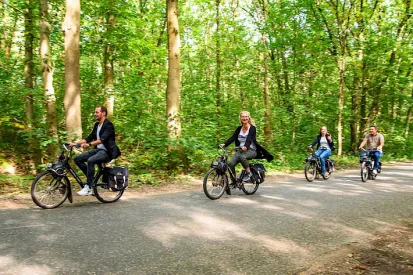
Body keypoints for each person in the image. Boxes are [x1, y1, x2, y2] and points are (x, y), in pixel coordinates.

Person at [69, 106, 121, 196]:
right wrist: (75, 143)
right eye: (95, 112)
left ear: (103, 113)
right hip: (98, 150)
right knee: (77, 159)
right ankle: (92, 181)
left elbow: (102, 139)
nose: (95, 114)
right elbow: (89, 137)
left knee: (91, 160)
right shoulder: (97, 125)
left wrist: (89, 144)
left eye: (97, 112)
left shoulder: (108, 125)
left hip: (107, 152)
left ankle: (89, 186)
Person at [220, 111, 273, 183]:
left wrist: (246, 146)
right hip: (241, 150)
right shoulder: (239, 129)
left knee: (242, 157)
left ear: (248, 118)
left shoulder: (252, 128)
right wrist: (225, 144)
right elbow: (233, 137)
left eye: (246, 116)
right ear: (240, 118)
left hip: (251, 150)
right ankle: (234, 181)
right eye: (243, 117)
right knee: (230, 164)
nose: (244, 118)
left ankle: (249, 174)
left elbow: (250, 139)